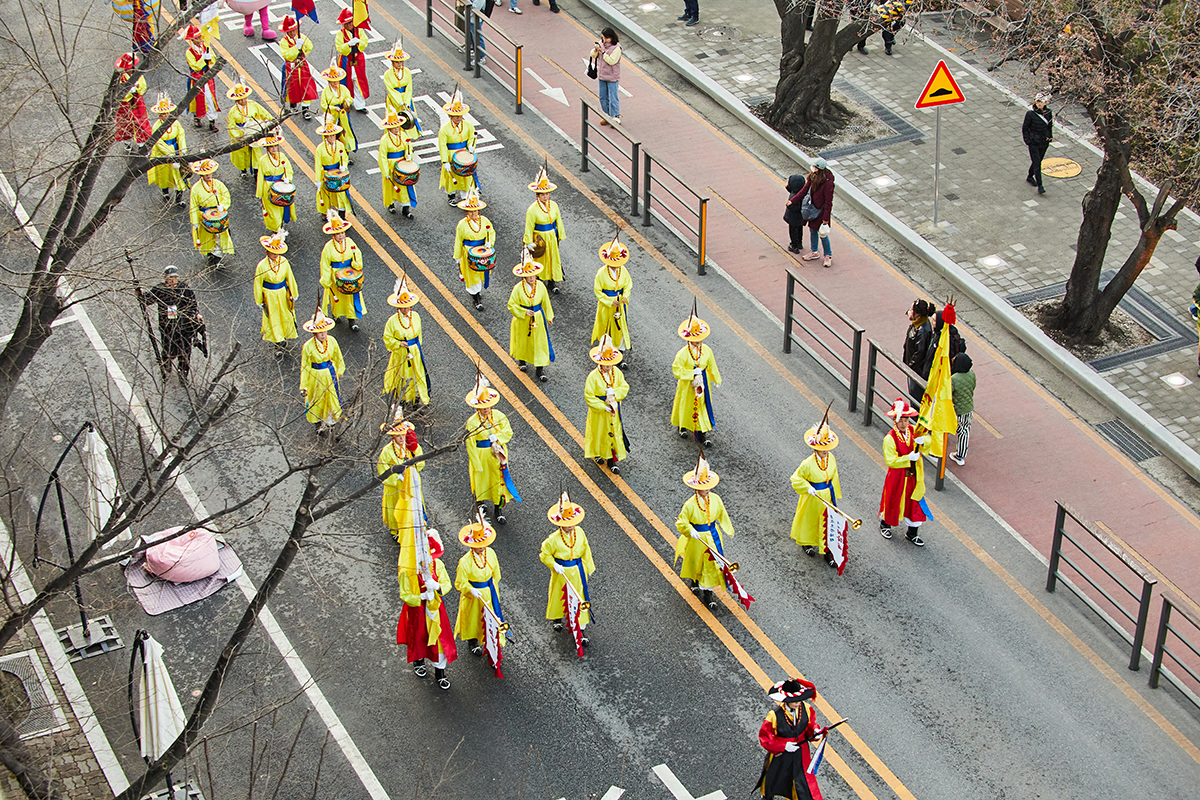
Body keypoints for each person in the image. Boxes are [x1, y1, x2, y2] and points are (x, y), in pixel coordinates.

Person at [397, 529, 457, 691]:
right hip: (417, 610)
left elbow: (446, 584)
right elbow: (405, 594)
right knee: (419, 637)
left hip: (435, 608)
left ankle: (440, 673)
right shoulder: (407, 570)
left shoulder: (437, 565)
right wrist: (421, 596)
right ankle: (419, 661)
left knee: (439, 640)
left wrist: (437, 587)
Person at [674, 450, 734, 610]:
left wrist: (728, 529)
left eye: (708, 487)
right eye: (703, 488)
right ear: (696, 489)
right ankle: (694, 581)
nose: (707, 490)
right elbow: (681, 521)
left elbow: (722, 514)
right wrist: (689, 530)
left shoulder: (716, 499)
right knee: (696, 562)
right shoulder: (689, 505)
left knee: (712, 564)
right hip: (697, 539)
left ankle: (708, 594)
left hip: (713, 536)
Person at [755, 678, 827, 800]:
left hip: (801, 753)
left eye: (799, 700)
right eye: (794, 701)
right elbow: (765, 737)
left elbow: (809, 726)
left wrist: (815, 731)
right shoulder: (774, 715)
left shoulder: (807, 708)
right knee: (774, 778)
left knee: (804, 783)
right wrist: (783, 746)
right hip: (781, 755)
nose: (798, 703)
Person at [540, 492, 595, 644]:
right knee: (559, 596)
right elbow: (544, 554)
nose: (570, 526)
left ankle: (580, 629)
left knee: (579, 598)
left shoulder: (580, 532)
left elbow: (586, 550)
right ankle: (557, 618)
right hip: (561, 573)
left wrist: (588, 567)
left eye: (572, 523)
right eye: (567, 524)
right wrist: (554, 565)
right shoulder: (553, 540)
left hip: (577, 572)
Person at [464, 371, 517, 525]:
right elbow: (470, 444)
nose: (486, 409)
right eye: (483, 407)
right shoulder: (472, 422)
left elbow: (508, 431)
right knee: (481, 481)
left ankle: (498, 510)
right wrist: (476, 464)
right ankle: (480, 502)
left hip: (497, 454)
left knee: (499, 482)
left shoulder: (499, 415)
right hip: (481, 455)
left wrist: (497, 438)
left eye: (488, 406)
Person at [454, 513, 508, 662]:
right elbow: (460, 583)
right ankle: (473, 641)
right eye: (477, 546)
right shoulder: (465, 562)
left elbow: (496, 573)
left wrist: (492, 589)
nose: (481, 548)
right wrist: (470, 590)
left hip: (489, 592)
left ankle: (491, 645)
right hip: (473, 597)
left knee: (491, 619)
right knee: (474, 619)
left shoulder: (491, 553)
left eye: (483, 544)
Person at [789, 418, 841, 567]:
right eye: (821, 447)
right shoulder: (807, 463)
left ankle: (828, 552)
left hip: (827, 497)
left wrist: (834, 494)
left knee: (828, 524)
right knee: (810, 521)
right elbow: (796, 478)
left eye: (827, 447)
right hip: (813, 497)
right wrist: (807, 487)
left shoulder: (831, 458)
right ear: (815, 448)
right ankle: (806, 543)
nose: (825, 450)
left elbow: (834, 476)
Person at [879, 398, 930, 546]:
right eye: (901, 420)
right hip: (897, 475)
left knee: (914, 501)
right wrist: (908, 458)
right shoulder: (890, 438)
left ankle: (912, 532)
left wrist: (924, 441)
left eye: (906, 420)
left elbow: (928, 444)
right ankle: (885, 524)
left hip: (914, 474)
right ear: (895, 420)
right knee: (893, 498)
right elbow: (891, 461)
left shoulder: (914, 431)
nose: (904, 423)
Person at [671, 303, 722, 446]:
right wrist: (691, 373)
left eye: (700, 338)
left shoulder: (707, 350)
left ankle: (702, 433)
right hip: (687, 385)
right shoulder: (682, 354)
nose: (698, 341)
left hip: (703, 382)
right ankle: (682, 426)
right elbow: (676, 370)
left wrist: (716, 379)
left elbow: (712, 365)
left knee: (702, 406)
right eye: (695, 339)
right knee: (685, 405)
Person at [139, 265, 203, 378]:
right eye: (170, 278)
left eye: (175, 278)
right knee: (169, 350)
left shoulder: (184, 288)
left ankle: (183, 374)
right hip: (167, 327)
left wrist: (196, 314)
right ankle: (166, 362)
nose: (173, 281)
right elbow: (147, 300)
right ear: (165, 278)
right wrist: (140, 294)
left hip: (184, 327)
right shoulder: (160, 289)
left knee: (185, 353)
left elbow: (192, 302)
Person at [377, 411, 425, 548]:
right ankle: (396, 530)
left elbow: (421, 461)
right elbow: (382, 469)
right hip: (396, 486)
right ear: (392, 437)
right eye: (398, 436)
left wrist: (413, 468)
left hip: (411, 482)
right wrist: (397, 477)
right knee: (396, 507)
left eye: (403, 435)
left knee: (413, 504)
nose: (401, 438)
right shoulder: (387, 451)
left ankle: (414, 526)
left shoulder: (411, 446)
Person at [584, 334, 629, 474]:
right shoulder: (593, 376)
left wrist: (614, 395)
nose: (609, 367)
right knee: (599, 433)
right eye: (606, 365)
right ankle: (598, 453)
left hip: (614, 409)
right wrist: (603, 406)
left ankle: (612, 461)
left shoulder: (617, 372)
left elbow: (624, 387)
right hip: (600, 413)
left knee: (614, 433)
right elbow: (589, 396)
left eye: (611, 364)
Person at [507, 251, 555, 382]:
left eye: (533, 275)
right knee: (523, 341)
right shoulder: (518, 288)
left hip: (538, 318)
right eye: (529, 276)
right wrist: (523, 312)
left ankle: (540, 369)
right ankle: (522, 361)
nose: (532, 278)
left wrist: (549, 316)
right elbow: (511, 305)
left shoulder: (540, 286)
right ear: (524, 277)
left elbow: (546, 301)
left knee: (540, 343)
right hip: (523, 320)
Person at [383, 275, 430, 408]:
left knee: (417, 374)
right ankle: (403, 399)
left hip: (414, 351)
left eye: (408, 306)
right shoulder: (392, 321)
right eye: (403, 307)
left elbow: (419, 334)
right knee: (403, 376)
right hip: (401, 353)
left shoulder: (415, 316)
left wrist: (416, 347)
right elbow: (387, 337)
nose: (406, 309)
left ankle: (417, 399)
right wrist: (398, 344)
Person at [253, 230, 299, 358]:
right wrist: (259, 300)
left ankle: (285, 334)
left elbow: (290, 277)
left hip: (283, 294)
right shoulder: (261, 266)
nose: (275, 255)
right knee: (274, 318)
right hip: (269, 296)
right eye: (272, 252)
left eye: (277, 252)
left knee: (285, 314)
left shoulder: (284, 261)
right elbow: (258, 284)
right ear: (266, 252)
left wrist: (294, 293)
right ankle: (278, 342)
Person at [299, 309, 345, 434]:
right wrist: (304, 385)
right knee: (317, 399)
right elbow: (305, 366)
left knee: (331, 397)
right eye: (320, 332)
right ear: (314, 333)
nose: (323, 335)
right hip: (315, 376)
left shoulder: (332, 340)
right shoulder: (307, 346)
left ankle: (331, 422)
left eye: (324, 331)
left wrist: (340, 369)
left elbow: (338, 356)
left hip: (330, 374)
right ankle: (318, 422)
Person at [318, 212, 364, 331]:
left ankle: (352, 320)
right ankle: (336, 314)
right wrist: (326, 279)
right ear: (333, 235)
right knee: (337, 297)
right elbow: (325, 264)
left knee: (350, 297)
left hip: (349, 274)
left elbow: (357, 254)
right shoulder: (328, 247)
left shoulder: (350, 242)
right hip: (335, 276)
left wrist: (356, 264)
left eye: (342, 232)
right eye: (338, 233)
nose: (341, 235)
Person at [523, 165, 566, 292]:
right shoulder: (532, 209)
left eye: (547, 194)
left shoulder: (554, 205)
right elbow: (529, 226)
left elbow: (558, 221)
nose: (545, 197)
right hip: (540, 238)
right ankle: (540, 281)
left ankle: (552, 282)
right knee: (540, 259)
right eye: (543, 194)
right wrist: (528, 242)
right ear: (538, 195)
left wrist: (560, 235)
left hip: (552, 236)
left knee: (553, 258)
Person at [453, 190, 495, 311]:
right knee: (472, 275)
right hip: (469, 253)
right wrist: (458, 257)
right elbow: (458, 241)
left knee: (481, 271)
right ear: (467, 212)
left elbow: (491, 233)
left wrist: (489, 242)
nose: (473, 214)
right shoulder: (462, 224)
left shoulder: (485, 221)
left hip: (482, 251)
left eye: (475, 211)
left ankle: (478, 291)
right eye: (471, 211)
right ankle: (476, 297)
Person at [592, 235, 633, 355]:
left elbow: (628, 284)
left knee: (619, 326)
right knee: (606, 327)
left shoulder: (623, 270)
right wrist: (609, 301)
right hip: (607, 305)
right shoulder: (601, 273)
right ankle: (606, 349)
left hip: (620, 304)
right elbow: (597, 291)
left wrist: (625, 296)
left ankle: (619, 350)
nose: (616, 267)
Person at [188, 159, 233, 267]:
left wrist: (223, 206)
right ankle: (211, 255)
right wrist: (195, 222)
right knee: (207, 238)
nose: (208, 176)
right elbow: (193, 206)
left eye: (210, 173)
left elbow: (226, 195)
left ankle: (216, 259)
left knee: (219, 236)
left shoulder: (218, 184)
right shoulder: (196, 188)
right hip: (204, 216)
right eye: (206, 174)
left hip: (218, 214)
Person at [146, 93, 187, 207]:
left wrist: (183, 149)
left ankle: (179, 198)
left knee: (179, 176)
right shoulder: (156, 126)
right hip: (162, 153)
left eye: (167, 113)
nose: (165, 115)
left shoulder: (175, 123)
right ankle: (165, 192)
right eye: (163, 113)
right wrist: (170, 153)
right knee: (164, 175)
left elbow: (181, 135)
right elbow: (158, 142)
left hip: (176, 150)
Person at [791, 159, 834, 268]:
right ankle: (814, 251)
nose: (813, 168)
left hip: (821, 212)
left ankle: (828, 255)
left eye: (815, 166)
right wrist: (793, 200)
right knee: (813, 231)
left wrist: (826, 219)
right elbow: (804, 190)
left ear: (818, 169)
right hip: (813, 209)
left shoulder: (828, 183)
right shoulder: (812, 177)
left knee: (823, 234)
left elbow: (828, 202)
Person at [439, 88, 478, 206]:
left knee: (466, 175)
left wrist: (471, 146)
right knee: (451, 176)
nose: (458, 117)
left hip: (464, 153)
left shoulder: (468, 125)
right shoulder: (444, 129)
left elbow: (472, 136)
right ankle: (451, 195)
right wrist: (445, 161)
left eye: (460, 115)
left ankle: (466, 195)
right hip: (451, 154)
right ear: (450, 116)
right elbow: (442, 145)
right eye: (455, 116)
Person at [225, 79, 272, 179]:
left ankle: (256, 170)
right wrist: (238, 136)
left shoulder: (253, 105)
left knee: (256, 153)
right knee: (241, 155)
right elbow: (231, 126)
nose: (243, 101)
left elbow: (263, 113)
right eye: (240, 99)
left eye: (244, 98)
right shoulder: (233, 111)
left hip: (253, 132)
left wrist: (271, 120)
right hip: (241, 133)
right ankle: (243, 169)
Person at [377, 107, 418, 218]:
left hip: (402, 164)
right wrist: (385, 171)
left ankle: (406, 208)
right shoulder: (384, 139)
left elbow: (409, 147)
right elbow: (382, 156)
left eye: (397, 126)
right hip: (391, 165)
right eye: (394, 127)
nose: (396, 129)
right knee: (391, 186)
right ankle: (390, 204)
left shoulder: (403, 135)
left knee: (405, 185)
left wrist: (409, 155)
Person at [279, 16, 317, 120]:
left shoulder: (301, 36)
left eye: (294, 30)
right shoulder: (284, 42)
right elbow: (287, 55)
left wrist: (302, 51)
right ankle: (293, 106)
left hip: (302, 65)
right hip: (290, 67)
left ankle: (305, 109)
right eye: (290, 31)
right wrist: (296, 48)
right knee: (292, 87)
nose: (292, 33)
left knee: (306, 86)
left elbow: (310, 46)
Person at [334, 7, 371, 113]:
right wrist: (348, 44)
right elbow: (339, 48)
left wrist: (358, 42)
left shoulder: (359, 30)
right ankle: (346, 102)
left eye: (350, 22)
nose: (348, 25)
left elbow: (365, 42)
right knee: (346, 82)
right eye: (346, 23)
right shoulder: (340, 34)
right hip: (346, 60)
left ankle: (360, 105)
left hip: (358, 59)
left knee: (359, 82)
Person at [254, 133, 294, 232]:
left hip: (282, 184)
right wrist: (260, 193)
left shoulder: (282, 156)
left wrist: (287, 178)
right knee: (272, 210)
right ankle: (276, 228)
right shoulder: (262, 160)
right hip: (269, 186)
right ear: (267, 148)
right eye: (271, 146)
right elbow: (260, 176)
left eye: (275, 145)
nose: (274, 148)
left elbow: (288, 169)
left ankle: (281, 224)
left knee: (282, 206)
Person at [183, 26, 220, 131]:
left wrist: (210, 59)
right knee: (196, 99)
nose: (199, 39)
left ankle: (212, 121)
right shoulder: (189, 52)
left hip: (207, 76)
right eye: (197, 38)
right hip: (196, 78)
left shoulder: (206, 46)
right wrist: (203, 60)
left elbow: (213, 59)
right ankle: (197, 117)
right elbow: (194, 66)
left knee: (210, 98)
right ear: (192, 40)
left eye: (200, 37)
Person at [382, 39, 423, 133]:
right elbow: (390, 89)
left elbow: (409, 87)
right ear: (392, 62)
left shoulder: (407, 71)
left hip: (406, 97)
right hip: (394, 99)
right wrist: (399, 101)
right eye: (397, 62)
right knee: (394, 117)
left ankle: (409, 133)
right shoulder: (387, 74)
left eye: (401, 61)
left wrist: (407, 100)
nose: (399, 63)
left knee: (409, 116)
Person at [319, 63, 358, 162]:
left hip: (343, 115)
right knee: (333, 137)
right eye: (332, 81)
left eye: (336, 80)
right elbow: (323, 105)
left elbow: (349, 97)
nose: (335, 83)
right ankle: (333, 156)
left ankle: (346, 156)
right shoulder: (325, 92)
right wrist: (333, 108)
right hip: (332, 117)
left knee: (345, 134)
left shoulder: (343, 88)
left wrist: (347, 102)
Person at [314, 118, 352, 219]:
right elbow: (318, 164)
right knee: (325, 194)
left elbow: (344, 157)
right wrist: (318, 180)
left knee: (341, 193)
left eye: (333, 135)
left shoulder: (340, 145)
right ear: (325, 136)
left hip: (338, 173)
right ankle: (325, 212)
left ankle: (342, 214)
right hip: (326, 173)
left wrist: (343, 165)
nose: (332, 137)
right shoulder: (320, 148)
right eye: (329, 135)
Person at [114, 53, 151, 148]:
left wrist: (137, 88)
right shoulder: (120, 78)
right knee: (125, 123)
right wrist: (129, 91)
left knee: (140, 121)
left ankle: (141, 143)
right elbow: (118, 93)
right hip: (124, 104)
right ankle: (127, 141)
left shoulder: (137, 74)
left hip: (137, 101)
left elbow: (143, 87)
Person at [902, 298, 936, 399]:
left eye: (912, 310)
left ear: (918, 314)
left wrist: (910, 366)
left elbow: (920, 352)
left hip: (917, 371)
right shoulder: (917, 324)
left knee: (916, 396)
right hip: (913, 368)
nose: (909, 311)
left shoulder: (922, 331)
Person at [590, 29, 622, 124]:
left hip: (612, 76)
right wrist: (596, 50)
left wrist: (603, 52)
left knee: (613, 97)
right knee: (602, 97)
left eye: (605, 38)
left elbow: (611, 61)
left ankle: (615, 116)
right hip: (602, 75)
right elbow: (593, 55)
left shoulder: (616, 48)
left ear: (611, 38)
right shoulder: (601, 43)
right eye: (602, 37)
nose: (603, 40)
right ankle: (607, 115)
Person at [1023, 92, 1053, 195]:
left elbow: (1049, 126)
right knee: (1037, 163)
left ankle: (1030, 176)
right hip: (1034, 142)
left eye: (1041, 101)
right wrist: (1027, 140)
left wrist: (1049, 136)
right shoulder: (1030, 114)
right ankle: (1040, 185)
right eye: (1038, 101)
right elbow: (1025, 128)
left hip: (1044, 142)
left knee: (1038, 160)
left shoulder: (1048, 112)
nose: (1039, 103)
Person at [950, 353, 975, 466]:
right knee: (964, 431)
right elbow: (973, 387)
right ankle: (960, 455)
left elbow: (949, 393)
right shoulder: (971, 374)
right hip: (968, 408)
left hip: (957, 410)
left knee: (950, 429)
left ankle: (937, 452)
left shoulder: (953, 379)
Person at [783, 172, 807, 255]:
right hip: (800, 217)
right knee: (799, 230)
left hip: (792, 218)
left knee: (793, 231)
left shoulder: (793, 197)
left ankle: (794, 246)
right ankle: (799, 243)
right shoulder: (801, 194)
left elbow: (793, 207)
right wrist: (787, 187)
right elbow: (793, 190)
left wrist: (788, 205)